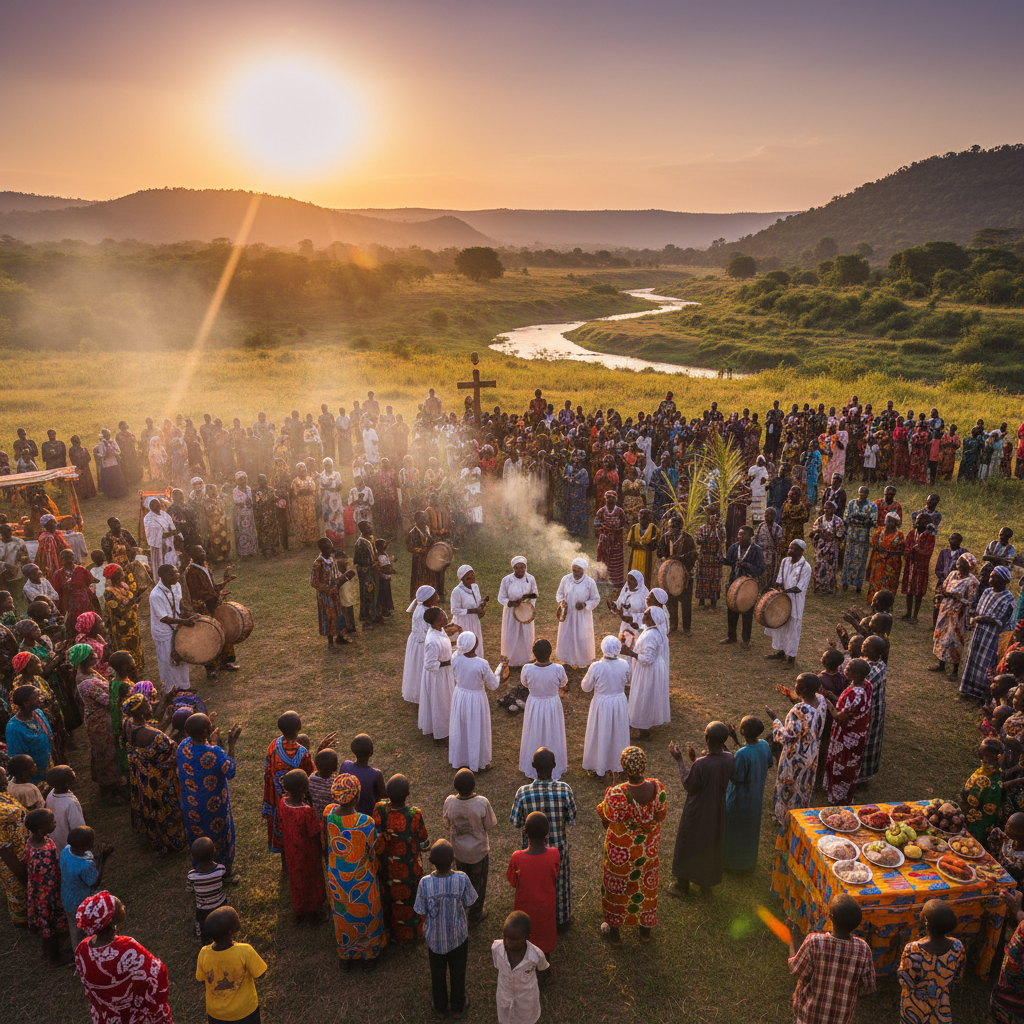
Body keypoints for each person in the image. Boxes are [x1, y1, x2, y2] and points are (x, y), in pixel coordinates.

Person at [595, 745, 667, 945]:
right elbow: (660, 816)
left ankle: (615, 933)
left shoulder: (616, 793)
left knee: (617, 888)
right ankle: (645, 932)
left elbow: (606, 821)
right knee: (645, 886)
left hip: (621, 854)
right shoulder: (658, 787)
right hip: (647, 852)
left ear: (624, 767)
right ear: (644, 765)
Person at [75, 893, 172, 1024]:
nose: (123, 906)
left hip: (108, 1017)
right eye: (119, 906)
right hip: (135, 1016)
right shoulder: (127, 947)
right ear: (110, 920)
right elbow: (157, 973)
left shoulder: (82, 949)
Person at [324, 773, 386, 970]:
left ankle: (347, 953)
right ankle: (369, 955)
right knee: (367, 913)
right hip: (362, 878)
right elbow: (373, 850)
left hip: (337, 878)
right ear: (357, 796)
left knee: (342, 916)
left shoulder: (329, 815)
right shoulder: (366, 822)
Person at [510, 748, 577, 929]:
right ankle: (561, 920)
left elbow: (516, 822)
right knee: (560, 883)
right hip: (558, 849)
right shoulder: (565, 789)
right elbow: (572, 817)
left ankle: (532, 919)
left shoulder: (523, 792)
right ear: (554, 765)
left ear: (533, 766)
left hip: (531, 851)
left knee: (532, 885)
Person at [788, 894, 875, 1024]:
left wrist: (791, 939)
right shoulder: (863, 949)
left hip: (808, 1017)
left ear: (830, 916)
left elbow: (795, 970)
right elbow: (868, 986)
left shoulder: (814, 942)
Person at [670, 722, 734, 895]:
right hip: (717, 810)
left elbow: (689, 785)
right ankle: (706, 884)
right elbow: (715, 771)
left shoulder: (701, 764)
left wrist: (680, 760)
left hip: (697, 811)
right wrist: (696, 761)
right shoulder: (730, 758)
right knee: (710, 844)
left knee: (689, 843)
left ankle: (682, 885)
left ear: (706, 738)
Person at [413, 839, 477, 1015]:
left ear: (431, 861)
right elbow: (470, 901)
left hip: (435, 940)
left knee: (437, 973)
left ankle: (440, 1007)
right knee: (458, 972)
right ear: (453, 859)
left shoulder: (424, 883)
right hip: (458, 937)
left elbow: (420, 909)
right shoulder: (462, 878)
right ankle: (458, 1006)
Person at [121, 693, 187, 853]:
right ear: (141, 711)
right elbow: (171, 751)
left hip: (142, 772)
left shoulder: (128, 723)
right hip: (159, 776)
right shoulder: (153, 735)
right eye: (147, 704)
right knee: (166, 806)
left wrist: (166, 718)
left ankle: (155, 835)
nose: (150, 705)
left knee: (150, 804)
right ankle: (173, 840)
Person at [177, 712, 240, 877]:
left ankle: (200, 868)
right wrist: (231, 744)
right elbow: (230, 771)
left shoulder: (182, 747)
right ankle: (225, 871)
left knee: (197, 836)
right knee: (219, 836)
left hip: (191, 805)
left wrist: (210, 741)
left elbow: (203, 758)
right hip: (214, 807)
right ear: (206, 731)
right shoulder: (216, 753)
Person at [373, 773, 430, 942]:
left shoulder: (379, 809)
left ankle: (392, 933)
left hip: (386, 869)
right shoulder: (414, 814)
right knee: (411, 900)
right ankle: (413, 934)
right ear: (407, 795)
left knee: (389, 900)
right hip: (409, 870)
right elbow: (423, 840)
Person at [768, 673, 828, 826]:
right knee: (805, 784)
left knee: (789, 785)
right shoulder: (821, 700)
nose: (794, 685)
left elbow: (787, 736)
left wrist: (775, 719)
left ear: (804, 688)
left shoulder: (799, 710)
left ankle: (786, 818)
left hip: (795, 757)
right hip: (812, 752)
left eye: (797, 683)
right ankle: (801, 813)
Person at [196, 905, 268, 1024]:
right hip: (245, 1012)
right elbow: (261, 975)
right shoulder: (245, 951)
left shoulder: (203, 953)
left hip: (216, 1014)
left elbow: (201, 979)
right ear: (230, 932)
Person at [897, 898, 965, 1024]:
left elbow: (905, 980)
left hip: (914, 1007)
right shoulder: (957, 946)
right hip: (940, 1003)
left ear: (926, 922)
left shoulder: (912, 949)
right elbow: (957, 975)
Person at [443, 768, 497, 927]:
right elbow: (489, 824)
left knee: (462, 881)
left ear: (455, 786)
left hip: (458, 852)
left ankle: (463, 908)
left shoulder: (449, 802)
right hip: (478, 853)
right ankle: (475, 915)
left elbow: (447, 823)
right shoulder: (481, 803)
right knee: (479, 884)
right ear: (474, 786)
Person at [449, 631, 505, 772]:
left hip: (460, 695)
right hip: (475, 699)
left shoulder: (455, 657)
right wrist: (500, 669)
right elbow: (493, 685)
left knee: (461, 727)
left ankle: (461, 758)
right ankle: (479, 762)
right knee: (476, 728)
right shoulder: (481, 664)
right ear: (475, 645)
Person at [723, 716, 773, 872]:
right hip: (755, 796)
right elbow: (769, 763)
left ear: (742, 731)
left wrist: (725, 756)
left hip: (740, 799)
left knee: (735, 830)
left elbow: (737, 778)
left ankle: (732, 864)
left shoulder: (742, 754)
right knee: (750, 829)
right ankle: (749, 862)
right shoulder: (764, 745)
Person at [506, 811, 559, 960]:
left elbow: (513, 881)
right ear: (547, 833)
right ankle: (545, 964)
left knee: (525, 936)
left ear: (525, 832)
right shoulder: (554, 854)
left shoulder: (517, 857)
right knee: (544, 936)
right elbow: (554, 876)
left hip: (524, 908)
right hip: (546, 907)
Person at [961, 566, 1017, 700]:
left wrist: (981, 619)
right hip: (979, 632)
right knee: (973, 659)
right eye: (990, 576)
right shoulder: (987, 592)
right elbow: (979, 610)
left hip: (993, 637)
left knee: (987, 665)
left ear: (1002, 580)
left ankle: (982, 695)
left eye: (993, 577)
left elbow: (1001, 621)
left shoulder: (1009, 599)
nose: (990, 579)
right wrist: (976, 618)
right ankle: (968, 690)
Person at [184, 544, 240, 678]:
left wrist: (225, 582)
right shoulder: (190, 571)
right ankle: (211, 668)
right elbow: (196, 592)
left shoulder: (205, 565)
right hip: (202, 606)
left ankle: (226, 662)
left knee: (223, 630)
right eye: (199, 552)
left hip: (213, 603)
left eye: (203, 550)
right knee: (208, 636)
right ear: (191, 555)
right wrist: (215, 595)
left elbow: (212, 586)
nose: (203, 553)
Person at [822, 658, 873, 804]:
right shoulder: (867, 685)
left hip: (846, 737)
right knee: (851, 765)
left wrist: (828, 703)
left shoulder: (853, 694)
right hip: (858, 734)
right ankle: (843, 791)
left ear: (856, 675)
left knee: (841, 765)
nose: (845, 669)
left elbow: (840, 718)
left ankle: (838, 796)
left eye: (849, 669)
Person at [277, 769, 326, 921]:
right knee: (313, 880)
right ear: (304, 788)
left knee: (297, 879)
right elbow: (315, 833)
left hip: (291, 851)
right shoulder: (307, 811)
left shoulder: (283, 803)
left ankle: (300, 910)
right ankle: (314, 911)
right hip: (308, 853)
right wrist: (322, 849)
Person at [580, 636, 631, 780]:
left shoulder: (596, 666)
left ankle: (599, 765)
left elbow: (586, 687)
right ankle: (618, 764)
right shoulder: (624, 664)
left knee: (600, 732)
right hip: (619, 702)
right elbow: (627, 679)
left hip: (602, 703)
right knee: (618, 732)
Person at [518, 640, 568, 779]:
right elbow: (563, 683)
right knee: (553, 731)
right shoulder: (558, 669)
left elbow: (524, 683)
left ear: (534, 653)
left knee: (533, 731)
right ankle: (554, 764)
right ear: (550, 652)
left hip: (535, 703)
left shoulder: (527, 669)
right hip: (552, 704)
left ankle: (533, 764)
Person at [493, 910, 549, 1024]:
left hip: (527, 1000)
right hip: (504, 997)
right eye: (505, 936)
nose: (507, 942)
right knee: (506, 1019)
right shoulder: (496, 949)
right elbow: (497, 965)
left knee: (526, 1019)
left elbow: (543, 968)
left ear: (527, 937)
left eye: (513, 939)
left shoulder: (536, 955)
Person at [764, 540, 812, 667]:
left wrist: (783, 592)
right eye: (789, 548)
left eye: (793, 549)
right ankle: (781, 652)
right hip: (783, 600)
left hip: (796, 602)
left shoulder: (806, 567)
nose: (789, 550)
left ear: (801, 551)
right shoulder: (785, 561)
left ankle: (791, 658)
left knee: (793, 629)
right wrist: (779, 588)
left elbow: (799, 588)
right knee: (781, 625)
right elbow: (779, 579)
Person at [149, 563, 195, 694]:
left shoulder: (176, 586)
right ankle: (170, 690)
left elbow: (179, 604)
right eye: (172, 574)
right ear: (162, 576)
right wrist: (184, 621)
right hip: (163, 630)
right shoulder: (155, 595)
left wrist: (190, 613)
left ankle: (184, 686)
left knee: (181, 655)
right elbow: (163, 618)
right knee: (167, 660)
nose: (176, 576)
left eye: (176, 572)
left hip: (177, 626)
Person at [626, 607, 670, 736]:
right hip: (653, 667)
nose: (643, 615)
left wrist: (631, 653)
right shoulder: (651, 630)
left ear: (652, 619)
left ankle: (643, 728)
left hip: (648, 669)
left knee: (644, 695)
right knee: (648, 694)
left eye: (645, 614)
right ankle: (646, 722)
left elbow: (648, 659)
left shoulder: (651, 636)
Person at [722, 525, 765, 646]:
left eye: (743, 534)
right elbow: (730, 561)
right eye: (739, 534)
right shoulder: (734, 547)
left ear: (751, 536)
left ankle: (746, 640)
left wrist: (747, 566)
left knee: (747, 612)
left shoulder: (756, 550)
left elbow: (761, 569)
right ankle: (731, 637)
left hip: (748, 586)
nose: (740, 537)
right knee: (731, 610)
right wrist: (722, 560)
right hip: (734, 583)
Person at [554, 556, 600, 668]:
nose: (575, 573)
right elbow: (559, 593)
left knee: (581, 636)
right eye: (573, 570)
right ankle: (566, 658)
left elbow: (595, 599)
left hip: (582, 615)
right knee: (567, 635)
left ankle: (582, 659)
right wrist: (561, 602)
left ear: (584, 570)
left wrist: (585, 605)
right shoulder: (566, 579)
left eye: (578, 571)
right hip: (568, 613)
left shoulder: (590, 582)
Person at [420, 606, 457, 743]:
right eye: (441, 618)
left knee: (446, 702)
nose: (445, 618)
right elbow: (429, 664)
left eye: (444, 614)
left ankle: (447, 728)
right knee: (440, 704)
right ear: (434, 622)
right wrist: (449, 662)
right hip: (438, 677)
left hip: (445, 673)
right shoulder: (432, 641)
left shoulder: (440, 630)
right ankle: (440, 736)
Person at [657, 515, 697, 633]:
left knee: (686, 603)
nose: (672, 530)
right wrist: (658, 546)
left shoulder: (687, 538)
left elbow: (694, 555)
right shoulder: (665, 537)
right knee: (670, 602)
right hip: (669, 575)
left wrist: (681, 559)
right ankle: (673, 625)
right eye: (671, 527)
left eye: (675, 527)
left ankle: (686, 628)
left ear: (680, 527)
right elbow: (660, 554)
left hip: (684, 575)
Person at [0, 764, 29, 926]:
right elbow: (4, 849)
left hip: (19, 850)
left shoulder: (3, 794)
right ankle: (22, 920)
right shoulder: (2, 811)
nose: (6, 779)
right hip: (12, 859)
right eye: (2, 778)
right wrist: (19, 871)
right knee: (18, 887)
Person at [498, 556, 538, 668]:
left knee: (526, 634)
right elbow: (501, 597)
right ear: (513, 568)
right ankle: (511, 659)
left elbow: (535, 593)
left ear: (526, 567)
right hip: (511, 613)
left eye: (522, 567)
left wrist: (527, 606)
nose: (520, 570)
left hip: (526, 612)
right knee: (511, 634)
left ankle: (527, 658)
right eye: (517, 568)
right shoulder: (506, 580)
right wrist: (510, 603)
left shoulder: (530, 579)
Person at [186, 836, 228, 939]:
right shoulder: (221, 870)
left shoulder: (191, 875)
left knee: (202, 922)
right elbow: (225, 882)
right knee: (223, 920)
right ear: (215, 852)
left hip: (203, 908)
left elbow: (189, 889)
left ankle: (201, 934)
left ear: (193, 857)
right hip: (221, 904)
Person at [900, 511, 937, 623]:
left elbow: (927, 552)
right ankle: (908, 613)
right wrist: (915, 549)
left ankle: (915, 616)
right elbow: (906, 548)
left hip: (921, 567)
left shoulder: (930, 537)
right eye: (917, 521)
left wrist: (914, 549)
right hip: (910, 565)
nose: (917, 523)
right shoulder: (912, 533)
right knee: (909, 590)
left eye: (920, 521)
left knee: (918, 592)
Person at [44, 764, 85, 852]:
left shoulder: (51, 794)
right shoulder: (71, 803)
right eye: (71, 772)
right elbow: (78, 827)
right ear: (67, 783)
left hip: (56, 839)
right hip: (70, 844)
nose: (74, 772)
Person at [810, 502, 845, 595]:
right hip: (821, 547)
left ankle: (829, 587)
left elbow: (840, 534)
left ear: (834, 509)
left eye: (829, 508)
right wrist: (820, 533)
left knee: (830, 566)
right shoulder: (820, 520)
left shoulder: (838, 521)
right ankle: (818, 586)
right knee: (819, 565)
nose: (826, 510)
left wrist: (831, 536)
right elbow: (814, 531)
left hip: (832, 547)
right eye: (825, 508)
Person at [450, 564, 485, 655]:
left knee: (475, 642)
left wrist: (481, 609)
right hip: (463, 622)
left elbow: (477, 602)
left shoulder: (475, 587)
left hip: (474, 621)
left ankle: (476, 661)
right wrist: (472, 611)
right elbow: (454, 610)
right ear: (462, 579)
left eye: (473, 578)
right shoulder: (457, 591)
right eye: (468, 579)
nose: (471, 581)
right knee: (465, 644)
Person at [695, 512, 725, 610]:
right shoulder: (702, 528)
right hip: (704, 556)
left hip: (715, 557)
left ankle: (713, 602)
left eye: (714, 517)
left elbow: (723, 540)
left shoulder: (720, 529)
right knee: (702, 578)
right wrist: (709, 533)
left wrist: (717, 529)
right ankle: (702, 600)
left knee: (715, 579)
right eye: (711, 517)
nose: (712, 519)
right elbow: (698, 541)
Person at [626, 507, 659, 587]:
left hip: (647, 557)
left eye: (645, 516)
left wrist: (642, 545)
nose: (642, 518)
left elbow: (654, 544)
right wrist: (641, 545)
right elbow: (629, 542)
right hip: (635, 556)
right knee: (633, 574)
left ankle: (644, 592)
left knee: (646, 576)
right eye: (640, 515)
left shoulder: (653, 528)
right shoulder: (634, 527)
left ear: (649, 518)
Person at [144, 498, 178, 574]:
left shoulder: (164, 514)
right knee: (160, 563)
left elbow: (172, 527)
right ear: (150, 507)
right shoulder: (148, 518)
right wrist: (170, 533)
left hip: (169, 542)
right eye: (153, 504)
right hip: (157, 545)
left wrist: (172, 532)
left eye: (157, 503)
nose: (157, 505)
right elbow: (154, 534)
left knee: (170, 562)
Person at [93, 429, 127, 499]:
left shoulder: (112, 441)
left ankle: (120, 493)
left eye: (109, 434)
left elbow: (118, 451)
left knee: (116, 478)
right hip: (107, 465)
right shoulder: (101, 444)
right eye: (106, 435)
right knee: (110, 479)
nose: (108, 436)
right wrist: (101, 455)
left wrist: (111, 448)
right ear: (103, 436)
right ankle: (112, 494)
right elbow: (100, 453)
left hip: (114, 463)